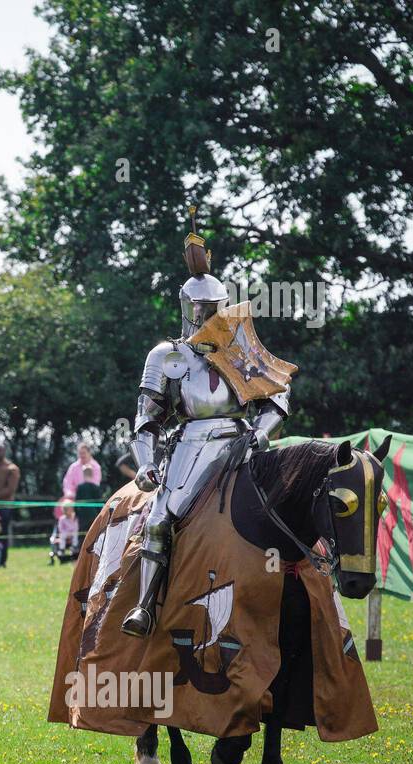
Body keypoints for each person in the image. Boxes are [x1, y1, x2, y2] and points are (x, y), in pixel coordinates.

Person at [121, 226, 293, 636]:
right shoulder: (167, 355)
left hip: (243, 441)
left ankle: (317, 584)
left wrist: (261, 433)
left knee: (296, 508)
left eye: (212, 307)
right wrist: (145, 465)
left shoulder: (241, 347)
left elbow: (277, 399)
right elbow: (147, 418)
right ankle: (145, 608)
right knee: (160, 520)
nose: (205, 315)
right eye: (198, 308)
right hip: (190, 446)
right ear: (185, 308)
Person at [50, 500, 80, 564]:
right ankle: (62, 549)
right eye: (69, 509)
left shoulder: (74, 519)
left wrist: (71, 533)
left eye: (72, 508)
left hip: (72, 534)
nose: (71, 510)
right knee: (62, 536)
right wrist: (66, 533)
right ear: (65, 510)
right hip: (64, 534)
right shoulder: (62, 519)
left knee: (75, 534)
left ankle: (74, 547)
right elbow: (61, 528)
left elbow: (76, 528)